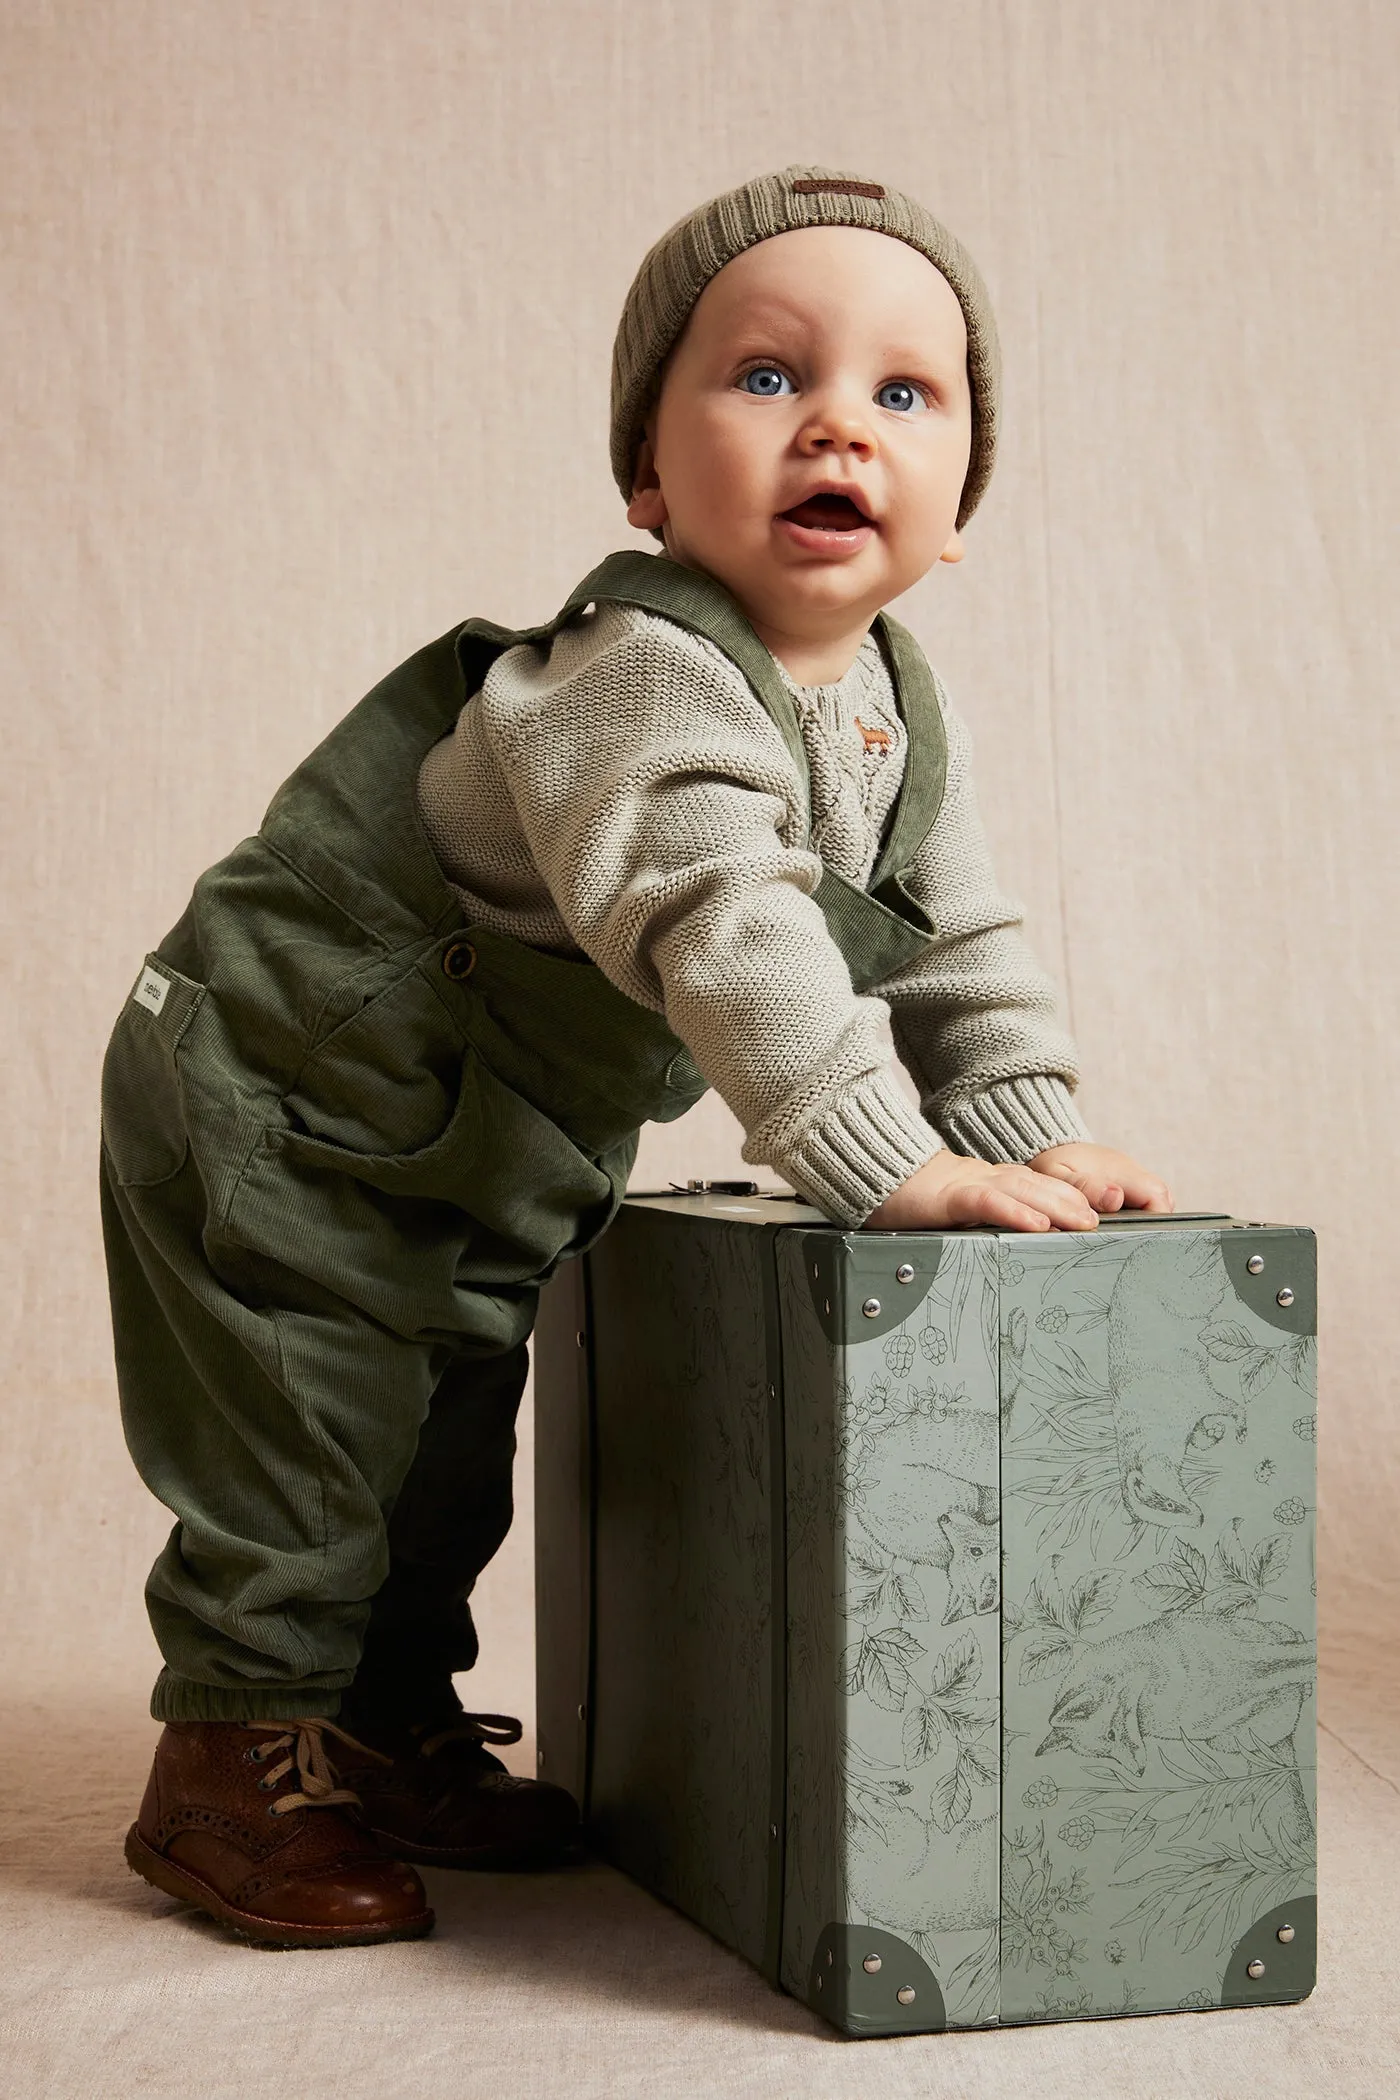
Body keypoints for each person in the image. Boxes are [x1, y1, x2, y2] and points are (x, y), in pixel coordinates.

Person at [100, 165, 1172, 1950]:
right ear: (650, 478)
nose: (838, 420)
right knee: (306, 1423)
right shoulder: (635, 671)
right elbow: (722, 918)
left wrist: (1029, 1124)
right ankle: (226, 1757)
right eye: (767, 378)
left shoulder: (900, 707)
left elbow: (958, 930)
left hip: (475, 1131)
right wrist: (884, 1161)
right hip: (284, 1095)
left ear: (962, 504)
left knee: (448, 1435)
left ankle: (380, 1718)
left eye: (906, 395)